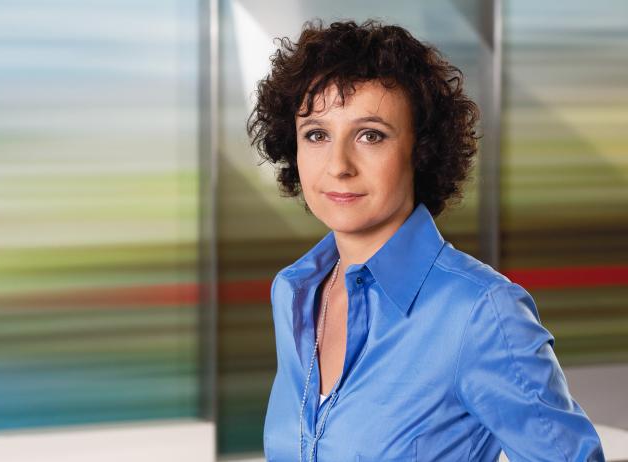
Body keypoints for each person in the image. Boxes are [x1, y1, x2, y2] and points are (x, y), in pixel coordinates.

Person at [247, 19, 604, 462]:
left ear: (421, 151)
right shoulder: (293, 292)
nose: (338, 165)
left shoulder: (481, 312)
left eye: (370, 135)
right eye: (317, 134)